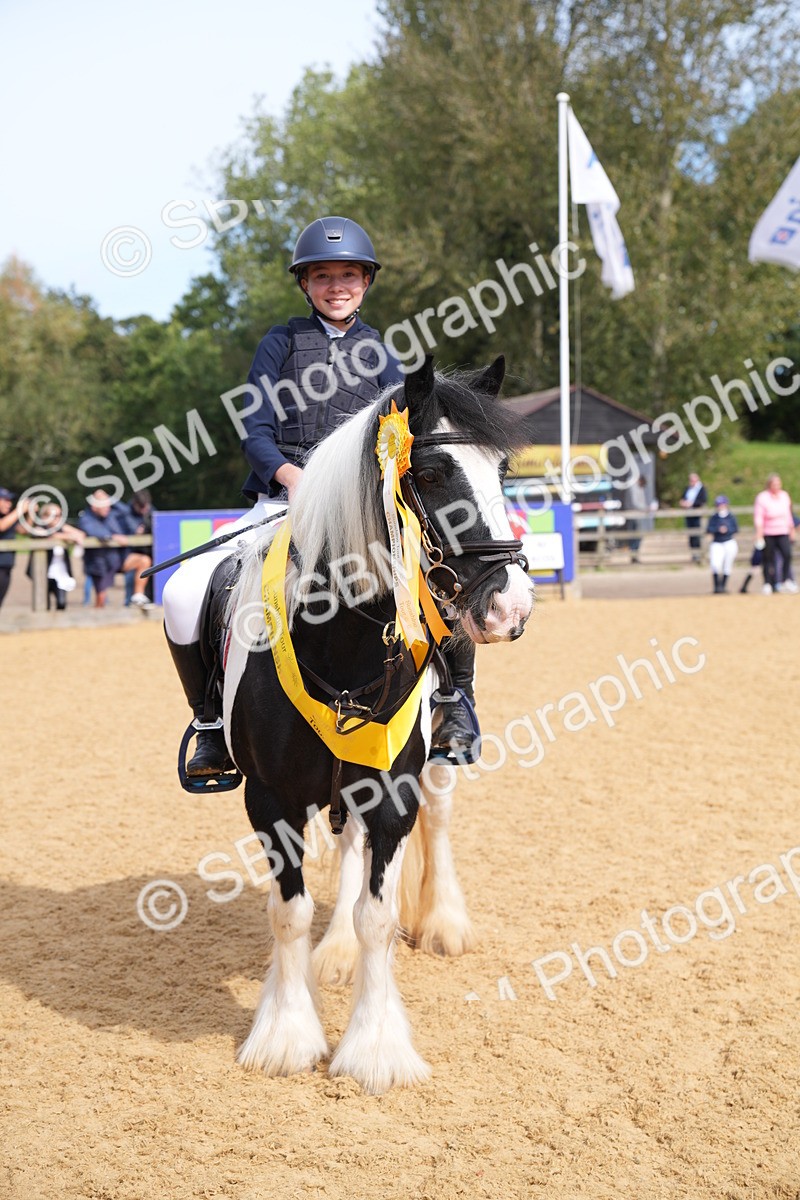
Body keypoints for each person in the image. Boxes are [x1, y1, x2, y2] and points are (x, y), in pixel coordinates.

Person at [78, 489, 153, 608]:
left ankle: (138, 595)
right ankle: (98, 619)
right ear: (94, 507)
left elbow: (126, 511)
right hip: (100, 563)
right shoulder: (86, 518)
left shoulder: (113, 514)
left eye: (109, 505)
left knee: (144, 560)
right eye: (104, 505)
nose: (108, 507)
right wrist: (112, 537)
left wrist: (111, 500)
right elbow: (94, 530)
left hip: (119, 558)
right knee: (101, 598)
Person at [25, 501, 84, 609]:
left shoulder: (61, 528)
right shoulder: (39, 529)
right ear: (44, 516)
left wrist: (65, 534)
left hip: (61, 574)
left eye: (59, 515)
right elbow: (47, 535)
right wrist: (67, 537)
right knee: (43, 605)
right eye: (54, 515)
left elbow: (80, 534)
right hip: (43, 573)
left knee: (61, 603)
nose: (58, 518)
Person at [753, 474, 797, 594]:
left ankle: (785, 580)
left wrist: (791, 529)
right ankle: (767, 583)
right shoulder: (762, 498)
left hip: (782, 531)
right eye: (774, 484)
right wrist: (759, 534)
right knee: (768, 559)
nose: (777, 486)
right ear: (769, 485)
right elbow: (759, 517)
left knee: (787, 555)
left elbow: (788, 515)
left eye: (778, 484)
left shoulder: (784, 496)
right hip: (768, 532)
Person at [705, 495, 738, 594]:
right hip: (717, 542)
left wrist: (727, 530)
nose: (720, 506)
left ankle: (723, 586)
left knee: (727, 565)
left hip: (728, 541)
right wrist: (717, 530)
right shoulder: (714, 517)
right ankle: (717, 586)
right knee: (715, 564)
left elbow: (735, 528)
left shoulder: (731, 516)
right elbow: (709, 529)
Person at [0, 486, 23, 610]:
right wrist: (19, 510)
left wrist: (29, 513)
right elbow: (2, 526)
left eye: (10, 500)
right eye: (5, 500)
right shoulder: (8, 518)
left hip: (6, 566)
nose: (9, 503)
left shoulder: (9, 517)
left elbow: (23, 530)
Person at [679, 472, 707, 563]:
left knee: (697, 535)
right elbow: (683, 498)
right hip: (688, 514)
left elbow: (703, 501)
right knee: (691, 535)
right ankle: (693, 554)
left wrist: (692, 504)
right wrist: (683, 503)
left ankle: (699, 554)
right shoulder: (688, 488)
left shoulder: (702, 489)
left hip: (697, 515)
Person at [625, 474, 648, 563]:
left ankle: (635, 554)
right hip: (634, 515)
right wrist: (645, 508)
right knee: (635, 536)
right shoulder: (634, 488)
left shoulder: (638, 487)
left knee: (638, 536)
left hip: (638, 515)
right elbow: (635, 503)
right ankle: (634, 555)